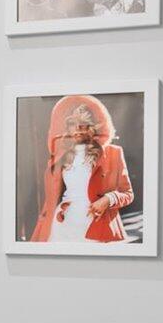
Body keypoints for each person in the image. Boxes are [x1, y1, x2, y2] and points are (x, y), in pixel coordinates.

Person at [29, 95, 134, 244]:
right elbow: (51, 200)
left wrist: (108, 199)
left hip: (97, 226)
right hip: (62, 226)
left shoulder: (113, 153)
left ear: (93, 126)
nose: (78, 128)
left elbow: (127, 193)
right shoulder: (60, 157)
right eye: (72, 123)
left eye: (83, 124)